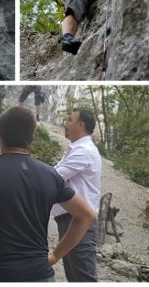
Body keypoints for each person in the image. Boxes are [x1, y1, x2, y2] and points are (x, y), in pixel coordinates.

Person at [0, 107, 96, 282]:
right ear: (31, 140)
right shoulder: (50, 174)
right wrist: (55, 256)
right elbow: (86, 215)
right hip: (41, 276)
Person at [51, 109, 102, 281]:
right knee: (76, 278)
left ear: (80, 125)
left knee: (83, 278)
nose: (65, 123)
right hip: (69, 220)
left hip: (78, 222)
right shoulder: (76, 149)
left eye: (69, 119)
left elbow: (55, 178)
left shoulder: (84, 151)